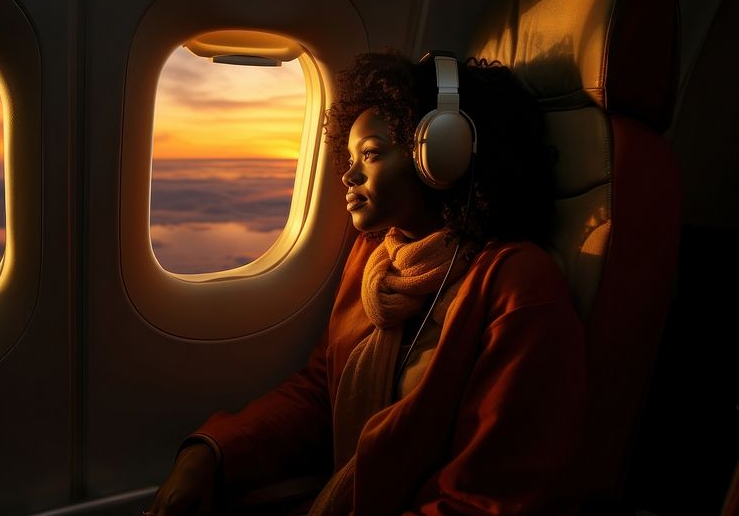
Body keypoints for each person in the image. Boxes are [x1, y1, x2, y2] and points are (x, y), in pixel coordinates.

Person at [146, 49, 587, 515]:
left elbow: (485, 500)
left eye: (371, 154)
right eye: (350, 155)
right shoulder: (375, 261)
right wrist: (211, 455)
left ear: (444, 154)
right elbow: (324, 393)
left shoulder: (516, 288)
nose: (348, 173)